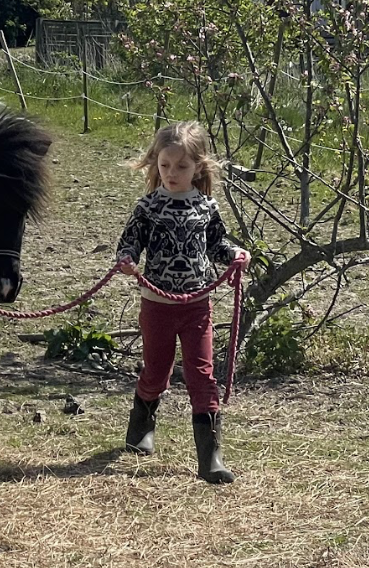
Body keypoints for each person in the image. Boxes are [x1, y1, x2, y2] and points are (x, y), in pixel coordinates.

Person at [115, 121, 250, 485]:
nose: (171, 173)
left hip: (197, 305)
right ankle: (142, 423)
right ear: (155, 163)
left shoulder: (206, 206)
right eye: (165, 165)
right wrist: (127, 259)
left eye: (181, 166)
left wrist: (236, 254)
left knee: (202, 375)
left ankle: (210, 457)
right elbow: (129, 242)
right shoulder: (148, 206)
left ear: (198, 167)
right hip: (156, 304)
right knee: (156, 373)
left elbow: (218, 245)